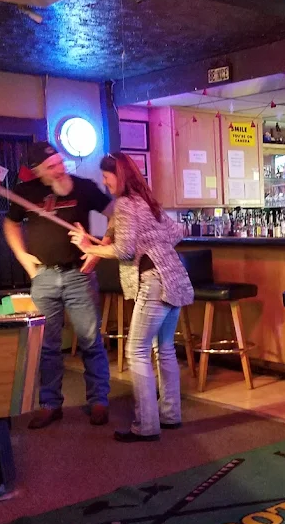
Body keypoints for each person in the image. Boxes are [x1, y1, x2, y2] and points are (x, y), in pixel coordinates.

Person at [71, 152, 194, 443]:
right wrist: (150, 242)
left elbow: (124, 250)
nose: (105, 183)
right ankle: (170, 415)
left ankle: (146, 425)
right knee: (164, 349)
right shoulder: (147, 201)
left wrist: (89, 248)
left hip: (153, 282)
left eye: (106, 177)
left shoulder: (126, 203)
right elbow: (178, 231)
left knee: (136, 351)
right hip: (173, 278)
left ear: (120, 175)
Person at [3, 141, 112, 429]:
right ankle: (50, 404)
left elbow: (113, 215)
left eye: (60, 162)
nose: (59, 168)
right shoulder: (26, 192)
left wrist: (98, 251)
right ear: (38, 171)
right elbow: (11, 224)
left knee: (90, 341)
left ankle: (99, 400)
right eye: (51, 166)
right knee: (47, 346)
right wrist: (23, 258)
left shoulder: (84, 187)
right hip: (44, 277)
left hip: (79, 275)